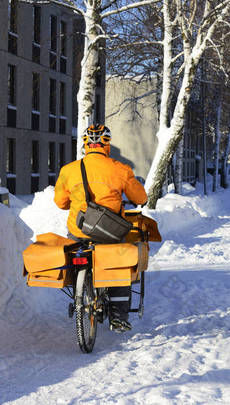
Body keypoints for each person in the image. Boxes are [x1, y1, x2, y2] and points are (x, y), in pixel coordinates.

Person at [54, 124, 147, 332]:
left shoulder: (69, 170)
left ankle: (81, 290)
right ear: (107, 144)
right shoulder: (120, 169)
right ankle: (118, 317)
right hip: (110, 233)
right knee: (118, 266)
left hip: (79, 231)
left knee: (78, 247)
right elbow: (141, 198)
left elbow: (60, 203)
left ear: (86, 144)